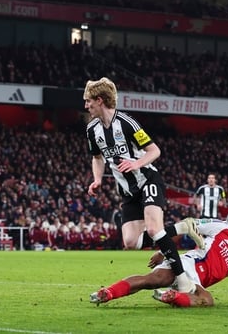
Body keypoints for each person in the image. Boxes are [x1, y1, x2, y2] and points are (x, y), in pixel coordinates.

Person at [84, 78, 201, 294]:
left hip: (148, 180)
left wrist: (135, 163)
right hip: (128, 192)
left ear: (99, 100)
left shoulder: (127, 123)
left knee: (155, 229)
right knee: (130, 242)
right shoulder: (92, 129)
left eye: (88, 101)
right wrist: (98, 179)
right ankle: (182, 228)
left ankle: (183, 280)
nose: (86, 105)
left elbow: (154, 151)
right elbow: (97, 158)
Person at [90, 212, 228, 307]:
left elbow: (214, 275)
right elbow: (186, 225)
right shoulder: (221, 228)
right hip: (188, 263)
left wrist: (194, 289)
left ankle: (172, 296)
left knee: (207, 300)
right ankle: (108, 292)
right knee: (151, 280)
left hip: (195, 282)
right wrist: (165, 250)